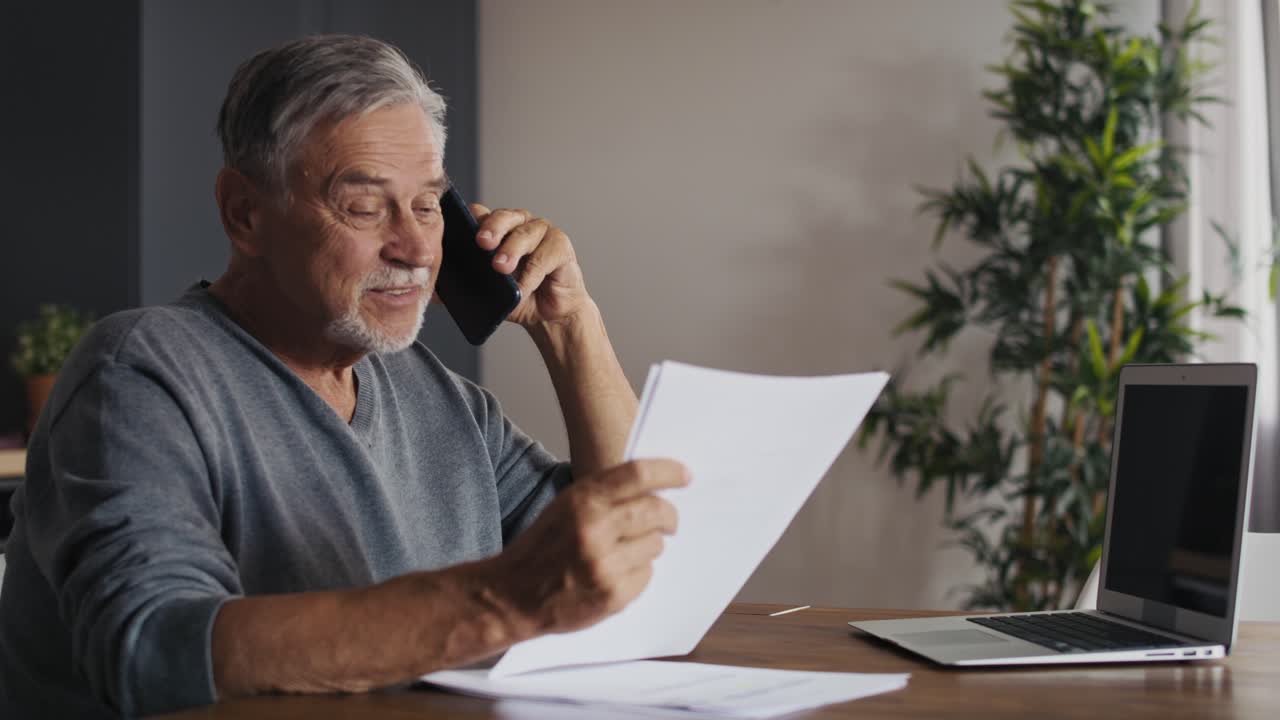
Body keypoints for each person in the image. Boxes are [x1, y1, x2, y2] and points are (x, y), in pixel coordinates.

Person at [0, 35, 686, 718]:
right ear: (245, 214)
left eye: (427, 205)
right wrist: (498, 601)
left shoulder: (442, 398)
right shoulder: (139, 373)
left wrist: (570, 328)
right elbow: (154, 651)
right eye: (364, 207)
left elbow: (639, 551)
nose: (417, 247)